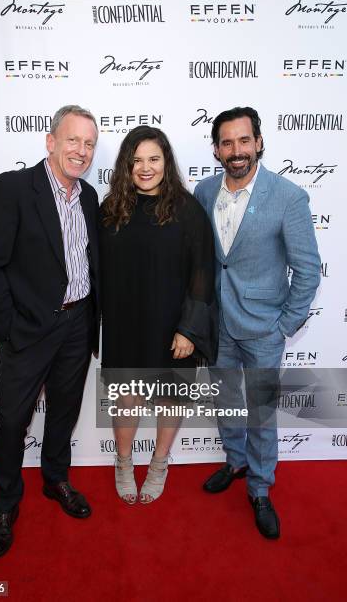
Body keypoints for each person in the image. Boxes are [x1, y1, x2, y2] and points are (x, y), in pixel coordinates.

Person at [0, 104, 100, 558]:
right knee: (12, 420)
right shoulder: (12, 189)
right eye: (72, 140)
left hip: (78, 324)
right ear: (50, 141)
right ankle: (5, 504)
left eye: (88, 144)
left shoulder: (88, 197)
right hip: (28, 329)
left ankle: (55, 480)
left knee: (64, 410)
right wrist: (7, 326)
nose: (80, 151)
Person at [194, 106, 320, 539]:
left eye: (244, 140)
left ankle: (261, 487)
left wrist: (285, 324)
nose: (236, 150)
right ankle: (234, 461)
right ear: (216, 149)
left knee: (261, 414)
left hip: (265, 327)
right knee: (227, 402)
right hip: (219, 325)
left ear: (259, 142)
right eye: (227, 142)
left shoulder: (288, 196)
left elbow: (307, 269)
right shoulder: (204, 191)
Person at [100, 126, 218, 505]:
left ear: (166, 162)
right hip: (124, 326)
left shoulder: (187, 209)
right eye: (137, 160)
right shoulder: (111, 208)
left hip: (173, 329)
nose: (145, 168)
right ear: (126, 165)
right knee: (127, 400)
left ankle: (158, 464)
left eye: (154, 159)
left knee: (169, 400)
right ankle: (122, 462)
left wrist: (189, 329)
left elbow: (203, 269)